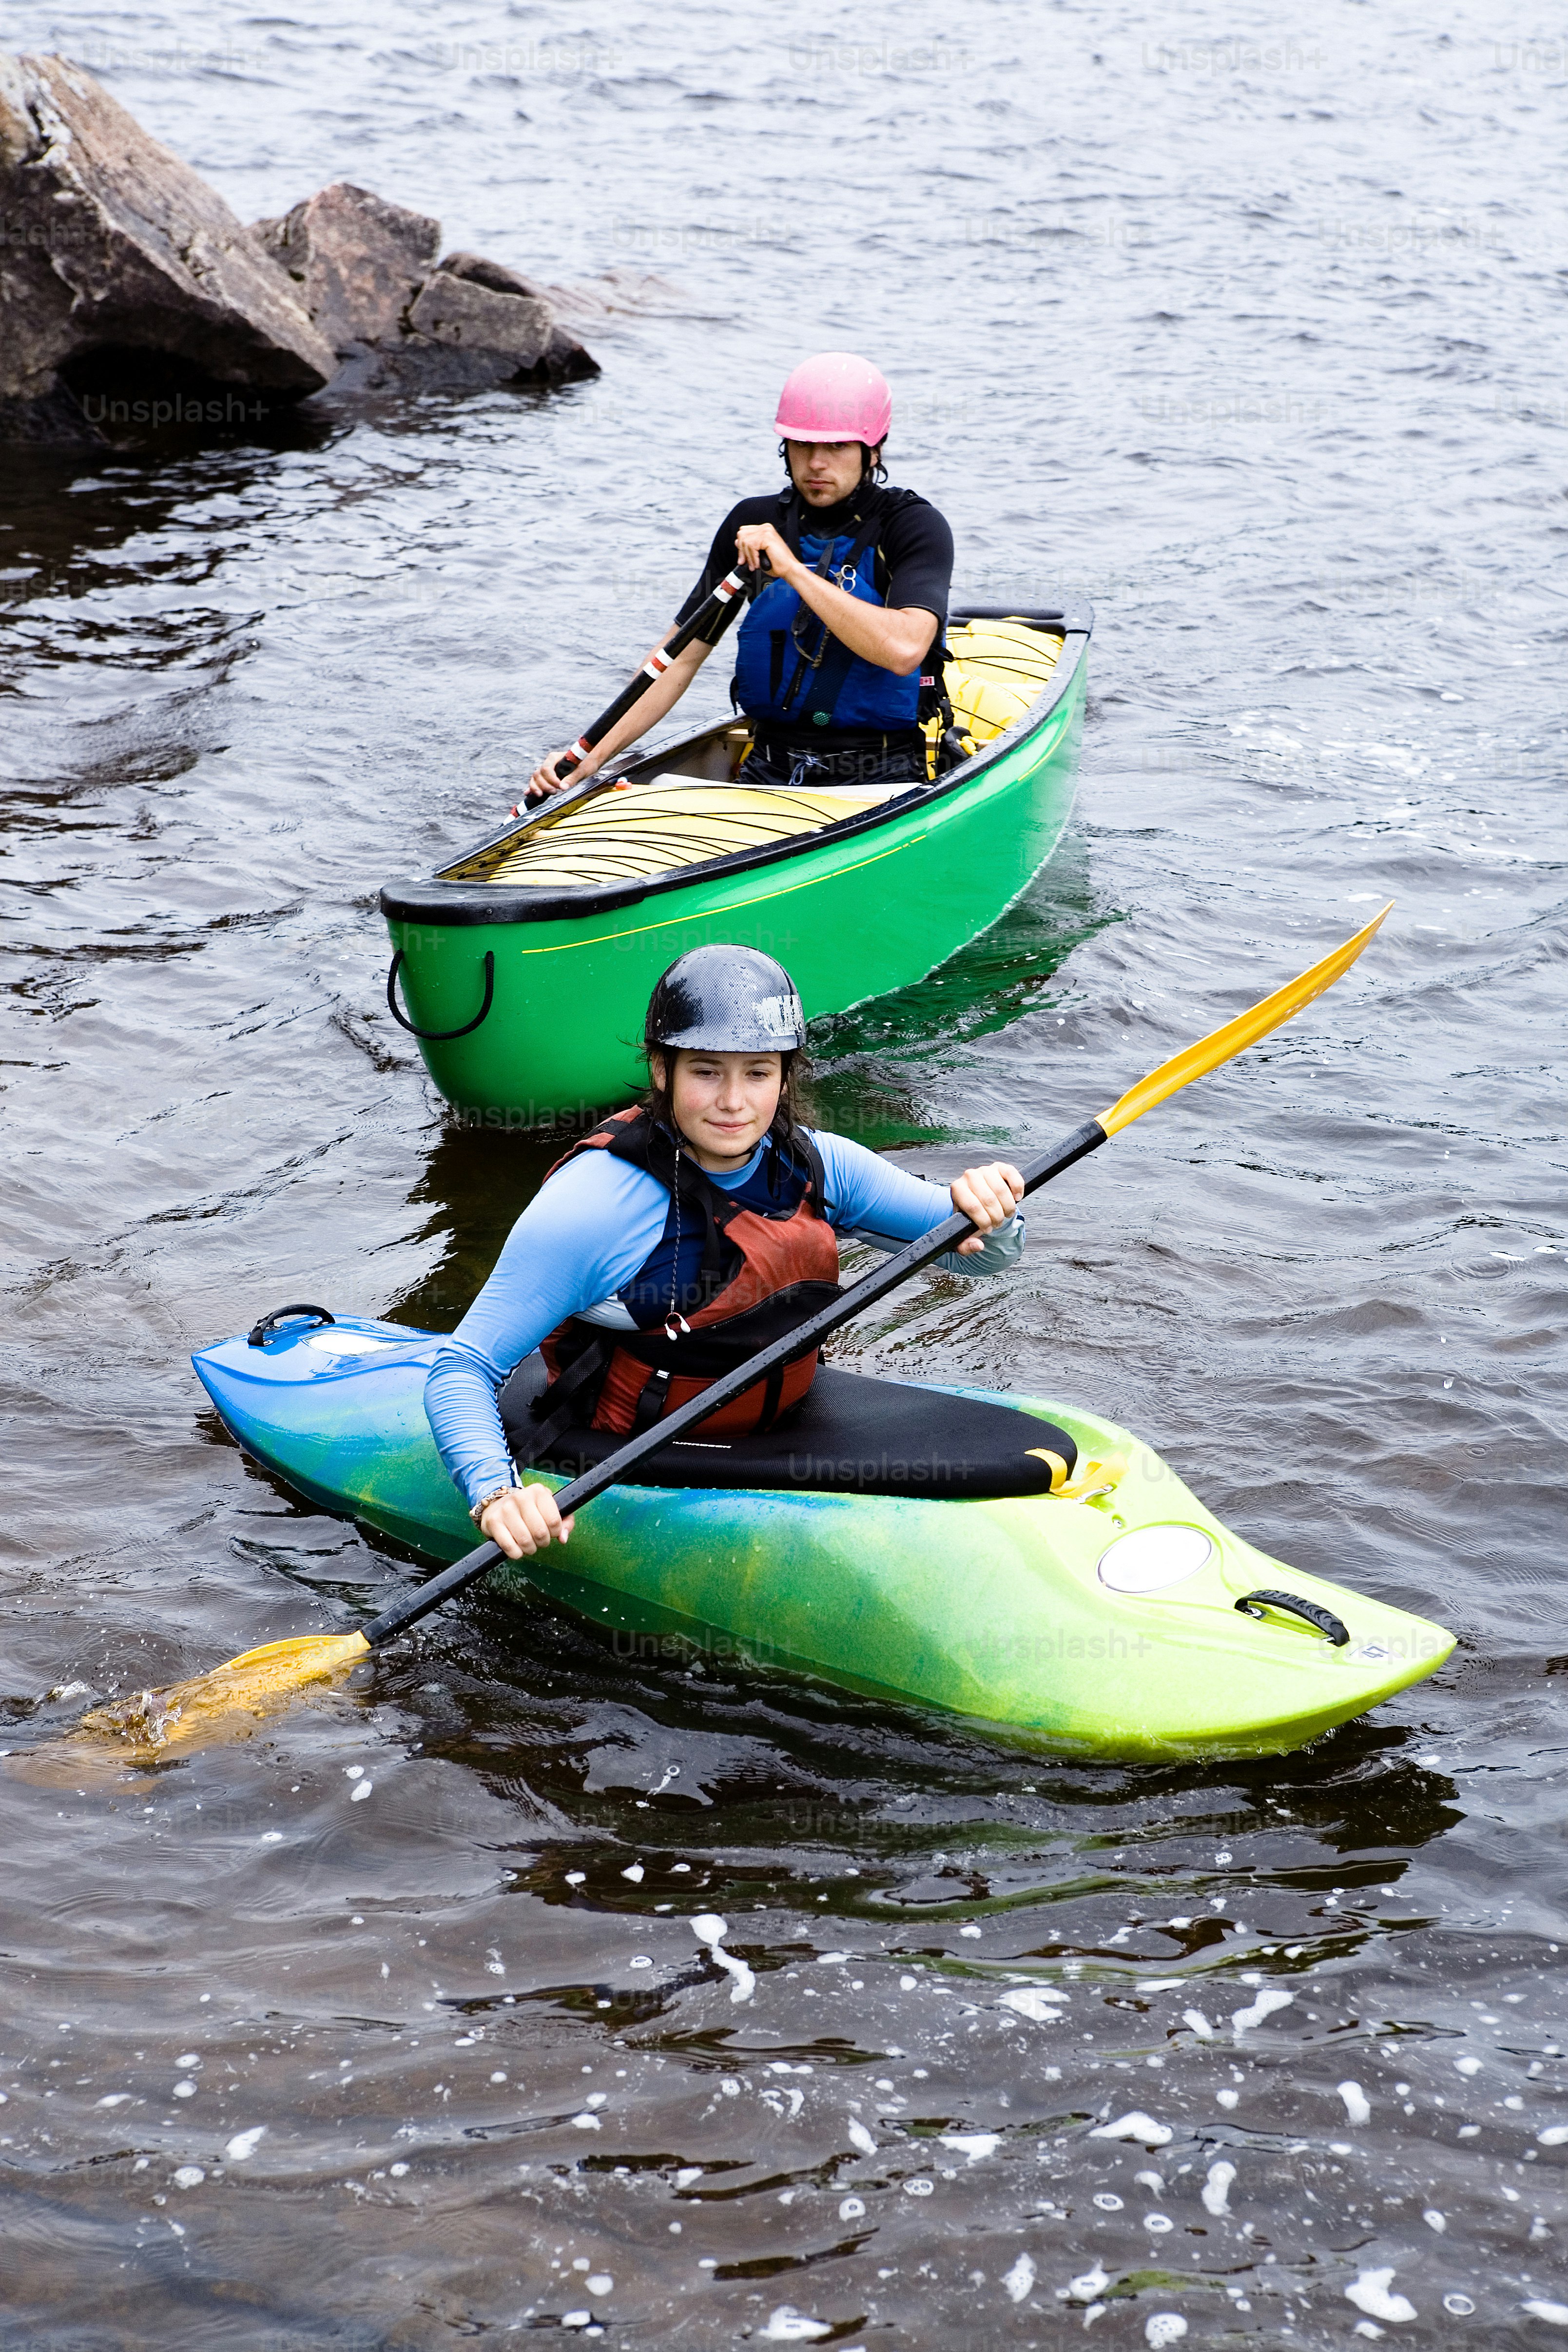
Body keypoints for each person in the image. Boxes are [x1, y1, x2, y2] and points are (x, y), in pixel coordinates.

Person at [425, 944, 1025, 1563]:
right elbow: (461, 1368)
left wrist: (991, 1204)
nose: (734, 1102)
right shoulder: (594, 1206)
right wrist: (495, 1493)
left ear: (785, 1076)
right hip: (632, 1451)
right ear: (663, 1070)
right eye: (707, 1071)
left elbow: (978, 1257)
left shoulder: (819, 1166)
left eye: (758, 1073)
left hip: (777, 1423)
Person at [527, 352, 954, 801]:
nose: (816, 464)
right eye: (802, 445)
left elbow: (905, 650)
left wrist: (791, 570)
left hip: (879, 774)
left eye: (836, 447)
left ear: (873, 450)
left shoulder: (912, 526)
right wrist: (592, 755)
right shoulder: (752, 523)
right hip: (767, 766)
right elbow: (679, 659)